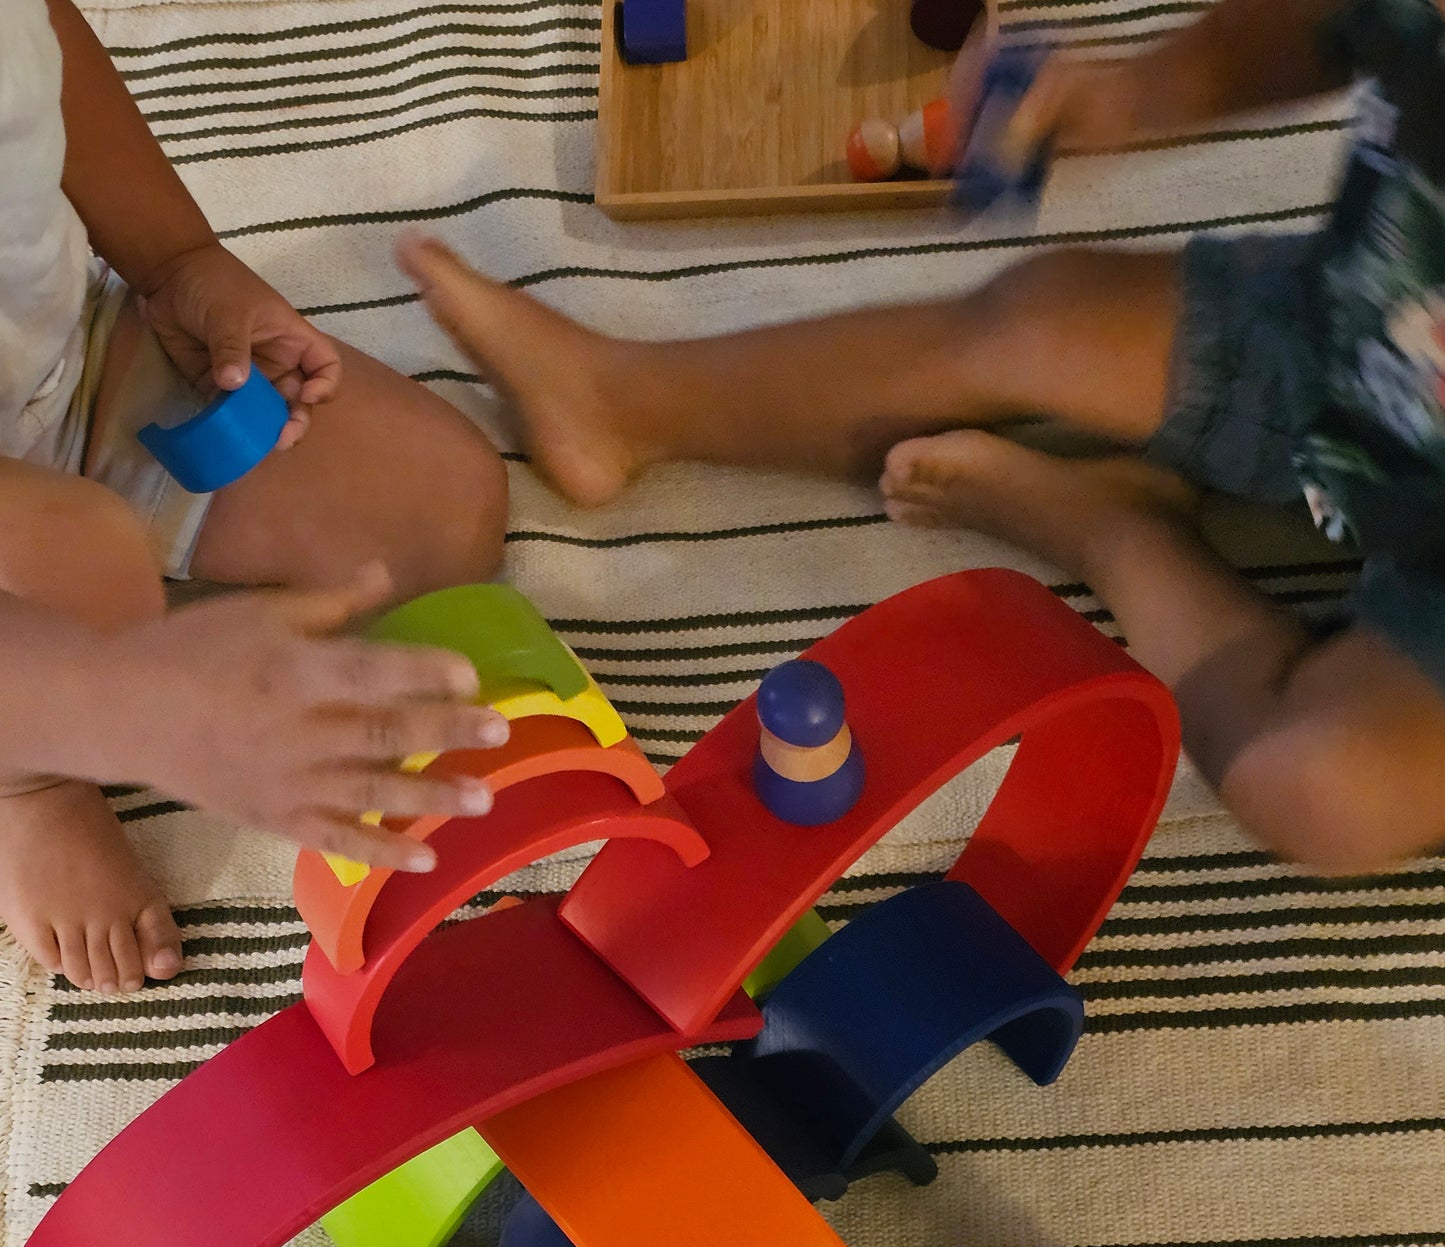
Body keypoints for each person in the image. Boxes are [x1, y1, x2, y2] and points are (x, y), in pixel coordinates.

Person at [396, 0, 1445, 875]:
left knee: (1320, 792)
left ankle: (1116, 531)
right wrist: (1137, 91)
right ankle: (619, 402)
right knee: (1039, 320)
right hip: (1368, 331)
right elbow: (1326, 19)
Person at [1, 0, 510, 993]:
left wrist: (179, 260)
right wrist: (119, 709)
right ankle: (25, 781)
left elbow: (41, 40)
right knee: (73, 607)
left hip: (57, 369)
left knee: (435, 507)